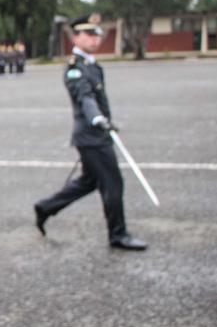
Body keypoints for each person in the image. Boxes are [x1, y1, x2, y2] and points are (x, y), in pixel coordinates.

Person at [33, 14, 148, 250]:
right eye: (89, 34)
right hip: (91, 136)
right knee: (113, 183)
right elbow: (84, 98)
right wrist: (98, 119)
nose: (95, 39)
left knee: (88, 182)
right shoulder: (75, 68)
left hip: (96, 133)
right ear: (76, 37)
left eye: (97, 34)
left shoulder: (92, 65)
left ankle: (46, 207)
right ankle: (118, 234)